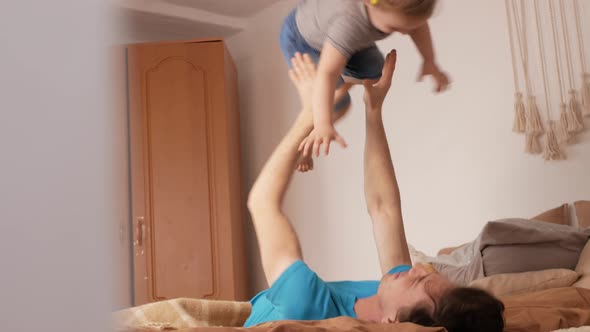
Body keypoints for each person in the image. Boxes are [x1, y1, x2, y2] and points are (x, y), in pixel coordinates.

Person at [244, 51, 504, 331]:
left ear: (393, 324)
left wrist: (309, 115)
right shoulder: (388, 298)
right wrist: (373, 110)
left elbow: (261, 202)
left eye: (417, 280)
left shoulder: (305, 305)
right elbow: (384, 208)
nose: (417, 268)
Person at [279, 0, 451, 172]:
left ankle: (341, 68)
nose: (405, 33)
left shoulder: (392, 11)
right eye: (394, 28)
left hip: (340, 33)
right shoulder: (348, 23)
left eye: (408, 28)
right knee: (338, 105)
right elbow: (328, 73)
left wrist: (429, 61)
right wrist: (323, 123)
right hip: (304, 40)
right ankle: (306, 142)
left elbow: (417, 27)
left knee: (376, 74)